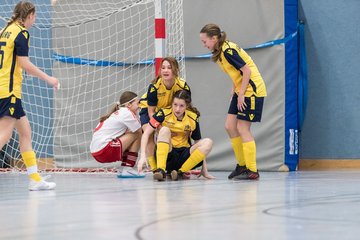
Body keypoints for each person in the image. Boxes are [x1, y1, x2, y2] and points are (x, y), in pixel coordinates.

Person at [0, 1, 59, 191]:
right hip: (8, 92)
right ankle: (35, 178)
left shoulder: (6, 30)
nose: (35, 20)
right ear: (30, 15)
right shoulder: (21, 32)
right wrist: (48, 78)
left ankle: (35, 178)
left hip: (6, 91)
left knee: (25, 133)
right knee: (4, 135)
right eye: (35, 16)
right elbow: (24, 63)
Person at [199, 23, 267, 180]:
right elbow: (236, 74)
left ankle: (252, 170)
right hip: (241, 90)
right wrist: (234, 93)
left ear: (214, 38)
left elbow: (247, 71)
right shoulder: (221, 52)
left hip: (252, 90)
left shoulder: (228, 50)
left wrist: (242, 93)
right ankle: (242, 165)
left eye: (205, 41)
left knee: (243, 128)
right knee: (229, 126)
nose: (204, 45)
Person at [138, 90, 214, 181]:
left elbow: (198, 143)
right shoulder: (163, 113)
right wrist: (142, 156)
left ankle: (180, 172)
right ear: (172, 103)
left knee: (208, 142)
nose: (177, 109)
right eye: (175, 105)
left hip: (184, 156)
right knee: (165, 130)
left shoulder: (193, 118)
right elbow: (146, 133)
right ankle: (161, 170)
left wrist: (204, 170)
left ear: (187, 106)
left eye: (181, 106)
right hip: (168, 155)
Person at [139, 57, 191, 172]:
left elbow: (187, 106)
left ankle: (181, 166)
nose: (165, 70)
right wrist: (158, 127)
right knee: (149, 132)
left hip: (168, 110)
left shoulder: (183, 86)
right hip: (149, 109)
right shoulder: (154, 87)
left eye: (169, 68)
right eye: (163, 68)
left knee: (182, 131)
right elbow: (151, 111)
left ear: (175, 70)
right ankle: (154, 168)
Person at [90, 91, 144, 178]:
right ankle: (128, 168)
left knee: (131, 134)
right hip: (104, 150)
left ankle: (124, 168)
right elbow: (141, 131)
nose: (140, 106)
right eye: (138, 103)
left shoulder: (119, 112)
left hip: (96, 152)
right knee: (138, 135)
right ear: (129, 105)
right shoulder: (127, 113)